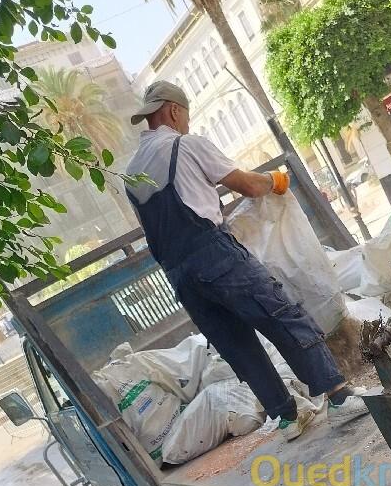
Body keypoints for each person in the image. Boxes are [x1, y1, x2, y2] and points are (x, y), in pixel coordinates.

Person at [125, 81, 368, 441]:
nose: (188, 123)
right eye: (186, 115)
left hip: (179, 276)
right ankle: (338, 397)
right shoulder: (185, 144)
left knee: (237, 345)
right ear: (174, 111)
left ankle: (286, 419)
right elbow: (249, 186)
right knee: (281, 315)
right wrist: (275, 179)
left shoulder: (131, 172)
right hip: (215, 255)